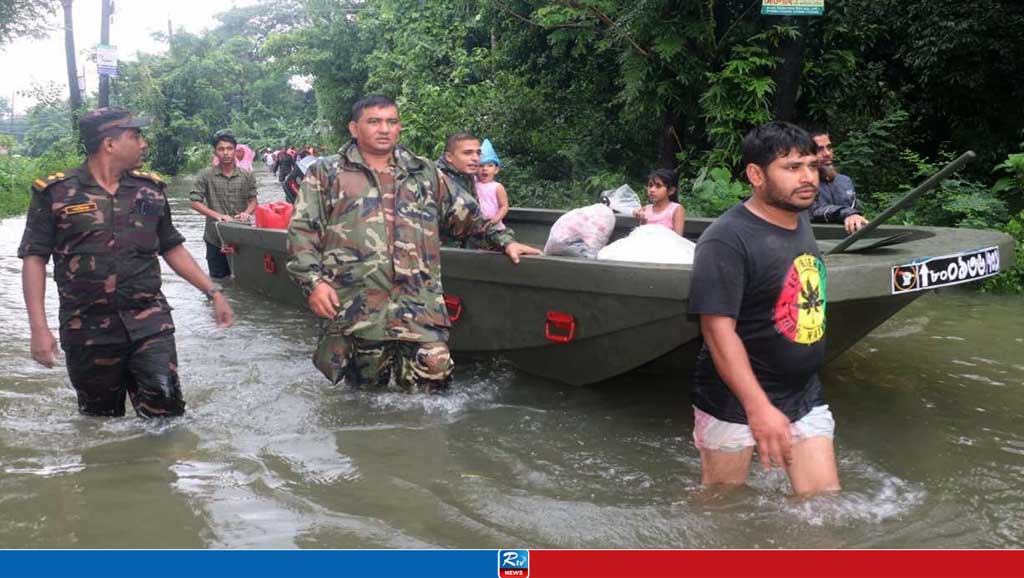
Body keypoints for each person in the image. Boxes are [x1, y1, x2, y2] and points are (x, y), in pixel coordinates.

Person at [286, 95, 541, 391]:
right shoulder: (326, 173)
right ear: (354, 129)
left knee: (433, 390)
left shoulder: (425, 173)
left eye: (391, 122)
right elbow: (303, 232)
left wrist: (505, 241)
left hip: (420, 308)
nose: (384, 129)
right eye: (374, 122)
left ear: (399, 128)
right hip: (357, 310)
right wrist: (313, 283)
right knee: (364, 401)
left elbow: (468, 217)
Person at [18, 107, 234, 419]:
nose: (144, 143)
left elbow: (171, 247)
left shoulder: (151, 190)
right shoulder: (55, 193)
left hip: (150, 322)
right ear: (110, 144)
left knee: (167, 413)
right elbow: (34, 258)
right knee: (100, 424)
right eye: (136, 136)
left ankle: (162, 467)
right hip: (87, 330)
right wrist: (38, 328)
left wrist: (212, 292)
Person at [688, 121, 839, 496]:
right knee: (722, 507)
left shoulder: (800, 219)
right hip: (735, 400)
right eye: (791, 168)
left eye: (811, 165)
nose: (807, 178)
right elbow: (717, 331)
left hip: (803, 392)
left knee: (824, 508)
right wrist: (758, 409)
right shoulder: (725, 239)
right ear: (756, 174)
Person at [189, 130, 259, 279]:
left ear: (235, 151)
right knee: (218, 282)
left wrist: (247, 212)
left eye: (229, 148)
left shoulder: (247, 175)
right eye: (221, 149)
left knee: (244, 280)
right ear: (215, 152)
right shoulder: (206, 175)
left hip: (242, 236)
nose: (226, 153)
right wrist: (218, 216)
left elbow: (253, 200)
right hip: (214, 237)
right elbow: (194, 202)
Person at [807, 129, 868, 235]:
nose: (827, 153)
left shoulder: (845, 181)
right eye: (819, 149)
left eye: (829, 147)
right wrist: (847, 213)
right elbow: (812, 212)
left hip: (850, 242)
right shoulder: (802, 182)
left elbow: (855, 214)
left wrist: (855, 217)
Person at [633, 168, 685, 236]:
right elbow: (641, 231)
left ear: (671, 190)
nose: (652, 190)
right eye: (650, 185)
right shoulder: (646, 208)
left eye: (658, 186)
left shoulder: (676, 209)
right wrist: (636, 212)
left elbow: (678, 237)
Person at [475, 139, 509, 230]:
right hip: (476, 225)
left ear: (496, 169)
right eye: (481, 166)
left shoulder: (497, 187)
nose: (485, 169)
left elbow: (504, 206)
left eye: (490, 165)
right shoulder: (473, 184)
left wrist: (495, 219)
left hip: (493, 226)